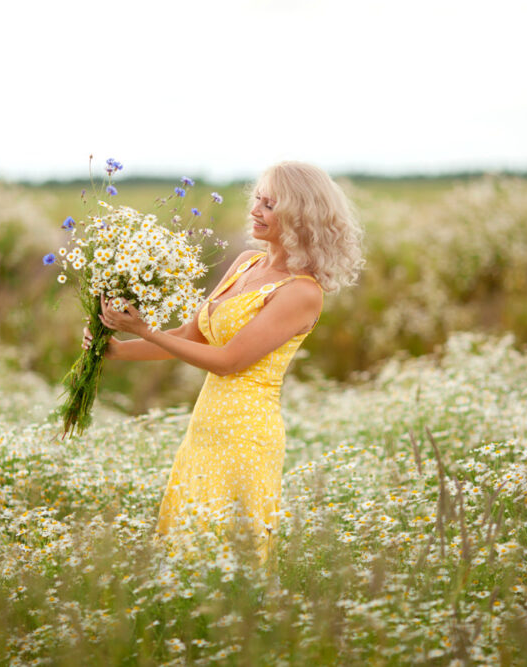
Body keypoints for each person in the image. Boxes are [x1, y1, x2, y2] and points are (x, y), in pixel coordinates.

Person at [85, 161, 363, 565]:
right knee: (184, 550)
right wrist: (115, 348)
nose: (255, 210)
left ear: (300, 216)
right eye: (257, 199)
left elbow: (228, 362)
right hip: (205, 428)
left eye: (270, 204)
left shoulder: (302, 292)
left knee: (228, 560)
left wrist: (144, 330)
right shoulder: (246, 263)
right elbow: (188, 337)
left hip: (247, 436)